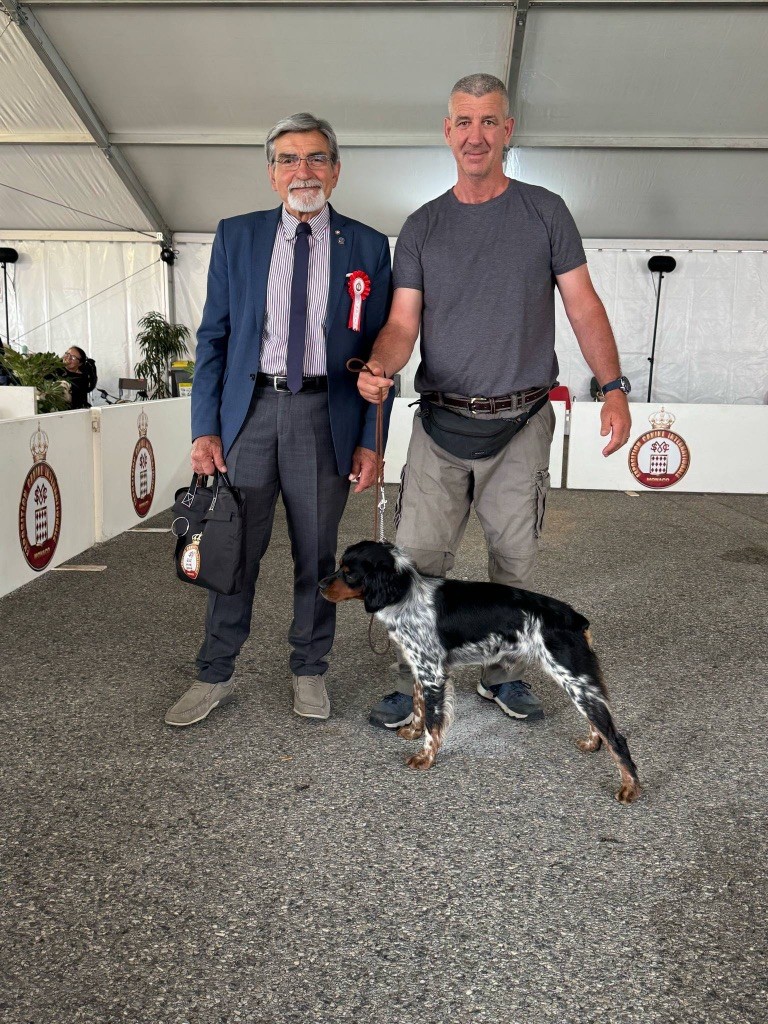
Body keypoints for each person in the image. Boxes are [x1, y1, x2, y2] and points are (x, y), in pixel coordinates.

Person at [358, 74, 632, 730]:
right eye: (463, 121)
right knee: (417, 562)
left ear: (508, 130)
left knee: (513, 563)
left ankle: (502, 674)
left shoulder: (545, 212)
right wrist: (380, 364)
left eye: (488, 121)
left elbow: (583, 304)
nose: (475, 135)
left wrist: (613, 387)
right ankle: (414, 680)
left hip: (522, 421)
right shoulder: (423, 226)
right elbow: (401, 322)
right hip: (440, 423)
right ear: (446, 131)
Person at [165, 112, 393, 728]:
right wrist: (205, 428)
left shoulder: (368, 246)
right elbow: (213, 338)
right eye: (289, 159)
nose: (303, 171)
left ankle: (310, 669)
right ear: (271, 173)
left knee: (317, 555)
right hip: (249, 416)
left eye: (316, 158)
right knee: (231, 548)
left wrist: (371, 440)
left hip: (326, 415)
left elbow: (382, 352)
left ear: (336, 170)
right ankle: (214, 671)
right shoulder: (236, 236)